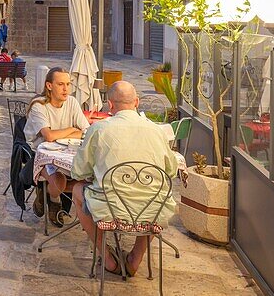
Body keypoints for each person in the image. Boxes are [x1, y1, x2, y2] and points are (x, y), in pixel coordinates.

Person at [72, 81, 179, 276]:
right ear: (137, 102)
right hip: (153, 211)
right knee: (155, 198)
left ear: (110, 105)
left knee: (77, 190)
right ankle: (135, 259)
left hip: (111, 209)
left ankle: (108, 259)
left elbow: (79, 172)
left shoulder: (99, 129)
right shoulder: (156, 131)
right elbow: (171, 171)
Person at [24, 67, 90, 227]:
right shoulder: (39, 105)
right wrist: (72, 130)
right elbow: (49, 136)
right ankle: (54, 201)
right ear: (49, 86)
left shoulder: (72, 102)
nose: (66, 89)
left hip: (69, 153)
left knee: (88, 180)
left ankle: (45, 193)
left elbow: (87, 130)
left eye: (68, 84)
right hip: (41, 155)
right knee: (59, 182)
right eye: (61, 84)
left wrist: (70, 133)